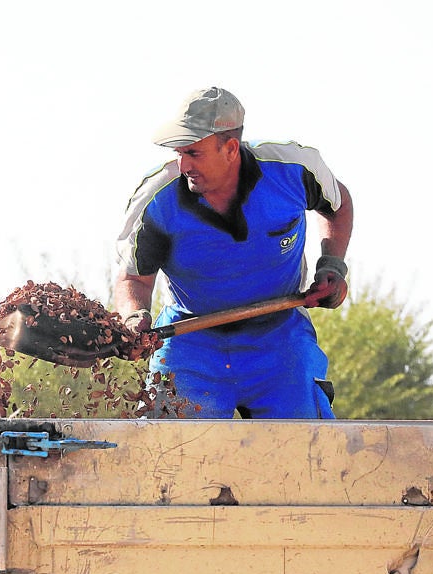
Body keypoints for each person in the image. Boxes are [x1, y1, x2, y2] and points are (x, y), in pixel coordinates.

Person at [113, 86, 353, 419]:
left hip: (280, 338)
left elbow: (338, 205)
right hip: (189, 339)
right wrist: (133, 316)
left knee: (306, 451)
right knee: (166, 456)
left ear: (229, 148)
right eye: (179, 153)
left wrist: (332, 265)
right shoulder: (157, 201)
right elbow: (134, 279)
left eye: (194, 154)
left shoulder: (294, 170)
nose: (183, 165)